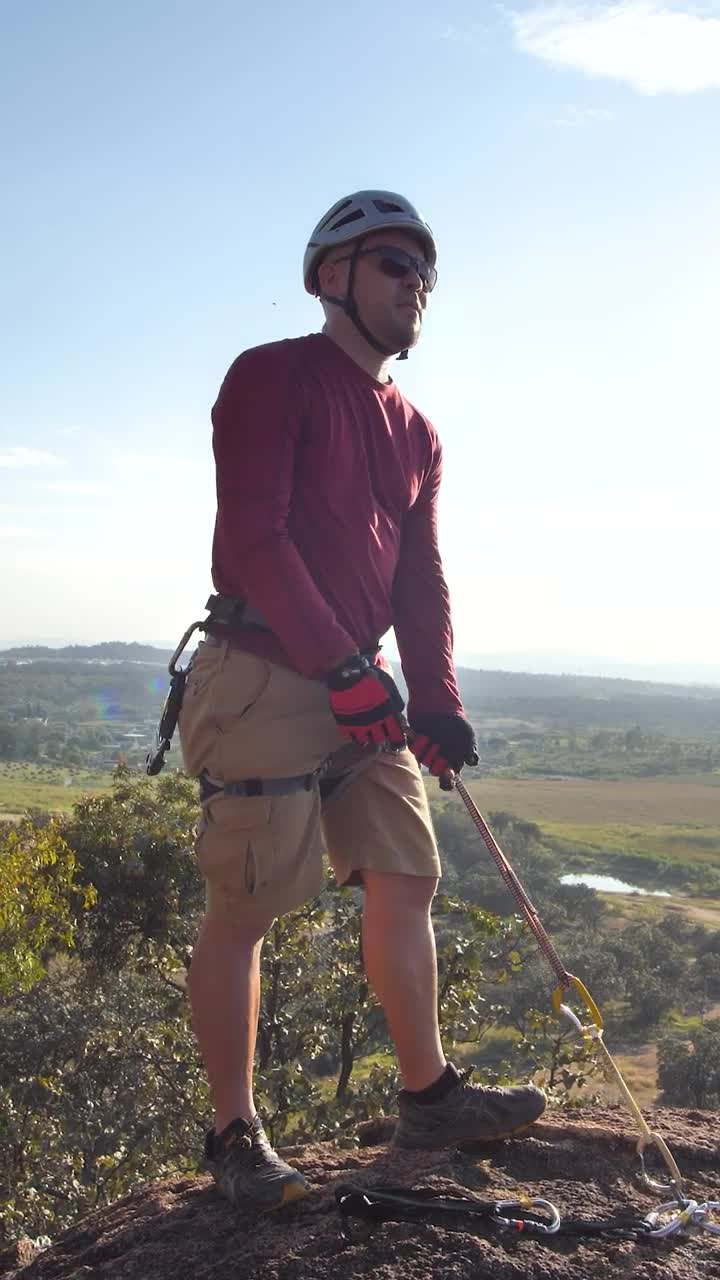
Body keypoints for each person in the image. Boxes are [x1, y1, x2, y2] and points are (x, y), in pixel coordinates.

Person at [178, 189, 546, 1212]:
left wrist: (438, 699)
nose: (415, 284)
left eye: (425, 273)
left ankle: (427, 1094)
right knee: (249, 900)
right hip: (265, 669)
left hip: (361, 685)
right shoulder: (273, 376)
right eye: (394, 263)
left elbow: (420, 576)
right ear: (331, 276)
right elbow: (256, 535)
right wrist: (342, 668)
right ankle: (234, 1132)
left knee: (406, 873)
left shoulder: (417, 431)